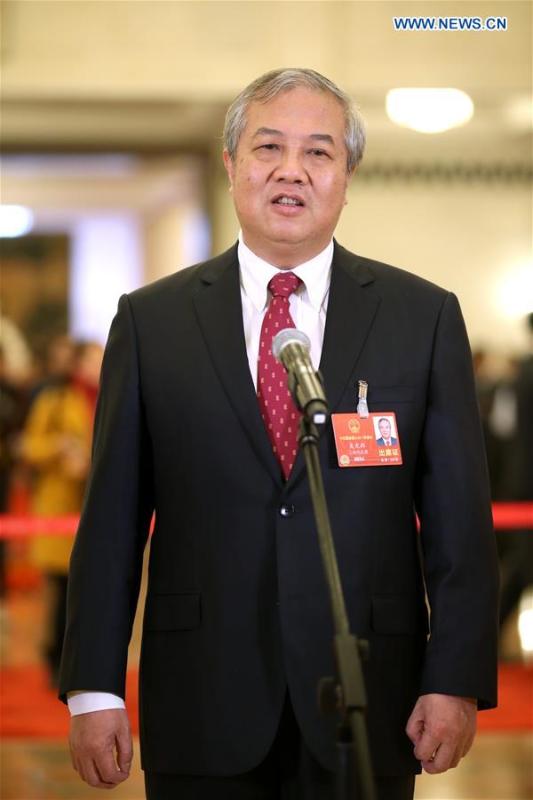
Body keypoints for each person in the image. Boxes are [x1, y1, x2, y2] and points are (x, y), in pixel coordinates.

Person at [60, 69, 498, 800]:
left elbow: (459, 524)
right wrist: (93, 689)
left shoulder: (420, 318)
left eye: (318, 152)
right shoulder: (151, 322)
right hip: (201, 695)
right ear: (231, 164)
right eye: (268, 147)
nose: (291, 170)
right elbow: (111, 522)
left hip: (369, 699)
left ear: (346, 176)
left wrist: (454, 676)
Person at [22, 340, 103, 685]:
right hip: (61, 506)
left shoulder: (112, 396)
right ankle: (56, 660)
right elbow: (30, 446)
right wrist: (58, 448)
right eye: (93, 360)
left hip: (98, 505)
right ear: (78, 364)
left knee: (95, 589)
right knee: (64, 588)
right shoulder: (55, 400)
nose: (99, 366)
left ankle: (88, 661)